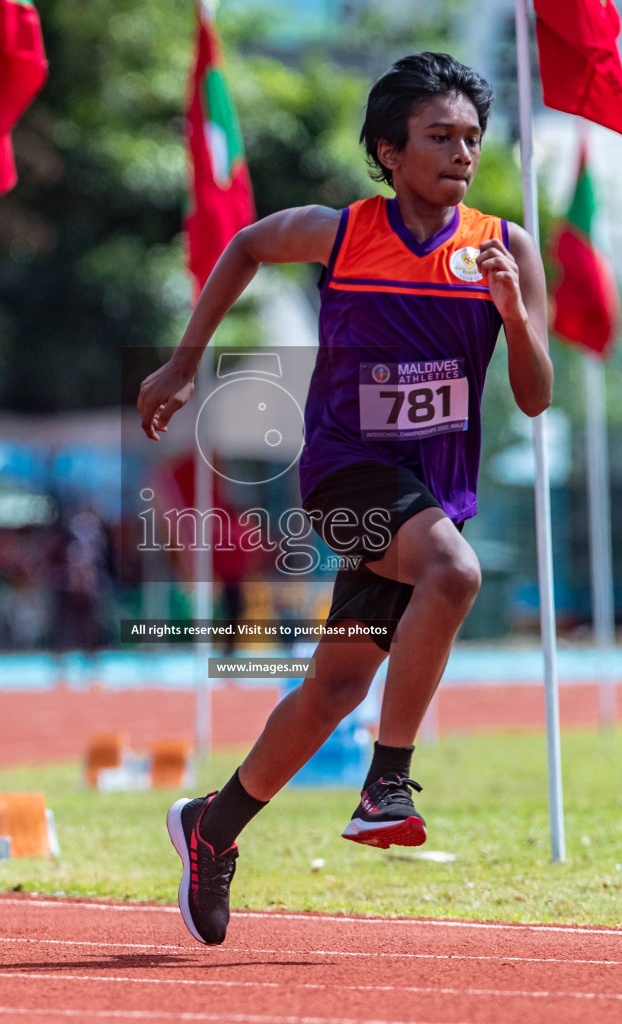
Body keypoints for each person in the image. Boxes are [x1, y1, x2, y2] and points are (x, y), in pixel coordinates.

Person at [137, 52, 551, 945]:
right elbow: (246, 243)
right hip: (345, 473)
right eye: (439, 136)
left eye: (472, 138)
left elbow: (538, 393)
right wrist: (182, 361)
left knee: (331, 687)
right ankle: (386, 782)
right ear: (388, 150)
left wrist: (515, 317)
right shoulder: (340, 233)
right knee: (454, 573)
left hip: (432, 489)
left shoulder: (504, 247)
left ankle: (212, 831)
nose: (462, 153)